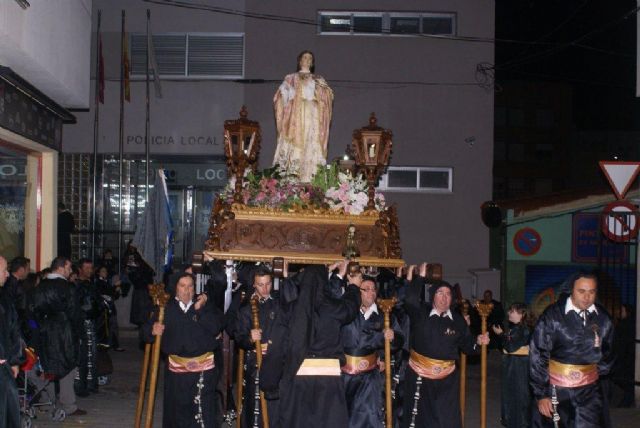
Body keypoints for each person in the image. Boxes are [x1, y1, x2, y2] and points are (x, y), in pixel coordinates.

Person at [260, 261, 360, 428]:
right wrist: (354, 287)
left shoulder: (290, 310)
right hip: (329, 385)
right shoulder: (334, 308)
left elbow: (277, 349)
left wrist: (270, 383)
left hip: (298, 381)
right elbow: (351, 307)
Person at [401, 263, 488, 428]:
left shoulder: (458, 320)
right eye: (440, 293)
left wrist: (478, 342)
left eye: (448, 294)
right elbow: (410, 299)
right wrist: (420, 277)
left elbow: (467, 346)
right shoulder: (421, 313)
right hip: (420, 376)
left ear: (452, 298)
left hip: (447, 380)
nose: (444, 297)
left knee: (446, 419)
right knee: (420, 419)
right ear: (433, 296)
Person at [530, 272, 614, 428]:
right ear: (571, 290)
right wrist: (541, 394)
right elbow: (538, 354)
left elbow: (608, 352)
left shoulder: (603, 318)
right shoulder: (553, 316)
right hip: (557, 390)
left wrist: (592, 374)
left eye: (591, 292)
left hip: (590, 391)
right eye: (581, 291)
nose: (587, 297)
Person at [144, 273, 224, 427]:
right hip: (177, 373)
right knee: (178, 414)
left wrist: (199, 311)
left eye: (190, 286)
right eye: (182, 286)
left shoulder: (204, 306)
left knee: (202, 414)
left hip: (203, 372)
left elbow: (216, 327)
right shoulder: (165, 309)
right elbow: (145, 332)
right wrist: (152, 330)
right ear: (175, 289)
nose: (187, 290)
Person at [341, 276, 403, 428]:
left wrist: (393, 338)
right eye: (366, 289)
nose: (371, 293)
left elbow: (400, 340)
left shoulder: (384, 315)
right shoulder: (346, 311)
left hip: (370, 375)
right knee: (342, 414)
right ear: (357, 291)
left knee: (368, 415)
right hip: (343, 374)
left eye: (373, 289)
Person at [30, 256, 86, 416]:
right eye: (68, 268)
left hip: (45, 331)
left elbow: (33, 310)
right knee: (68, 366)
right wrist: (80, 333)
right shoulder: (67, 287)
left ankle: (46, 402)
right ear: (61, 268)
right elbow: (74, 312)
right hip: (64, 331)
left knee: (47, 366)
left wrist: (40, 327)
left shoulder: (40, 287)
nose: (70, 271)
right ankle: (68, 404)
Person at [231, 266, 284, 428]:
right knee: (256, 407)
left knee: (276, 407)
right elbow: (238, 336)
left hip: (277, 361)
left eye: (268, 284)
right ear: (254, 285)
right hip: (256, 363)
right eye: (260, 285)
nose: (265, 288)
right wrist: (249, 338)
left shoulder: (279, 304)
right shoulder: (246, 308)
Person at [273, 50, 334, 182]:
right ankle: (292, 176)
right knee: (295, 144)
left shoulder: (318, 79)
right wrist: (287, 93)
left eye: (310, 58)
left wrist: (323, 92)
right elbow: (281, 95)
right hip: (296, 114)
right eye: (304, 57)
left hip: (313, 114)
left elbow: (327, 97)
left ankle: (310, 176)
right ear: (300, 61)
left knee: (311, 142)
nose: (307, 60)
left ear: (312, 62)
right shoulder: (291, 78)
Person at [492, 302, 531, 428]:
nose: (509, 313)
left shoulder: (522, 329)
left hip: (518, 370)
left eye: (512, 311)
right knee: (513, 399)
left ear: (521, 314)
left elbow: (510, 346)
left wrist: (500, 334)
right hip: (514, 369)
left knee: (518, 400)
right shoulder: (517, 328)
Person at [0, 255, 23, 428]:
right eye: (3, 270)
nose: (7, 274)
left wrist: (15, 360)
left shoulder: (4, 298)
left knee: (9, 407)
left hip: (5, 363)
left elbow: (13, 329)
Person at [73, 258, 101, 396]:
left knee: (90, 354)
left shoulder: (90, 283)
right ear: (80, 269)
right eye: (87, 268)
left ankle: (88, 383)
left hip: (90, 322)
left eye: (91, 267)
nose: (90, 270)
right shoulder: (78, 285)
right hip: (83, 323)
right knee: (84, 354)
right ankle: (82, 384)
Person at [612, 304, 635, 407]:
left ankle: (626, 402)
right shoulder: (629, 323)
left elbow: (620, 343)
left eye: (622, 310)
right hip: (628, 357)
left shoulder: (625, 325)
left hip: (625, 357)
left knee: (625, 381)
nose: (619, 312)